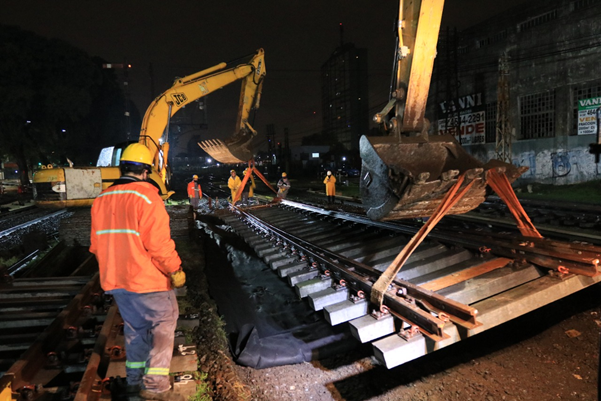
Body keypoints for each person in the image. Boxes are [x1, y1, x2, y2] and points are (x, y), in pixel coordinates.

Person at [89, 143, 186, 401]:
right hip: (148, 280)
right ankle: (154, 386)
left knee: (135, 330)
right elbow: (158, 244)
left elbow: (97, 246)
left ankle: (133, 381)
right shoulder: (147, 196)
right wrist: (174, 269)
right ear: (146, 171)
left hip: (117, 282)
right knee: (163, 325)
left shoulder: (101, 199)